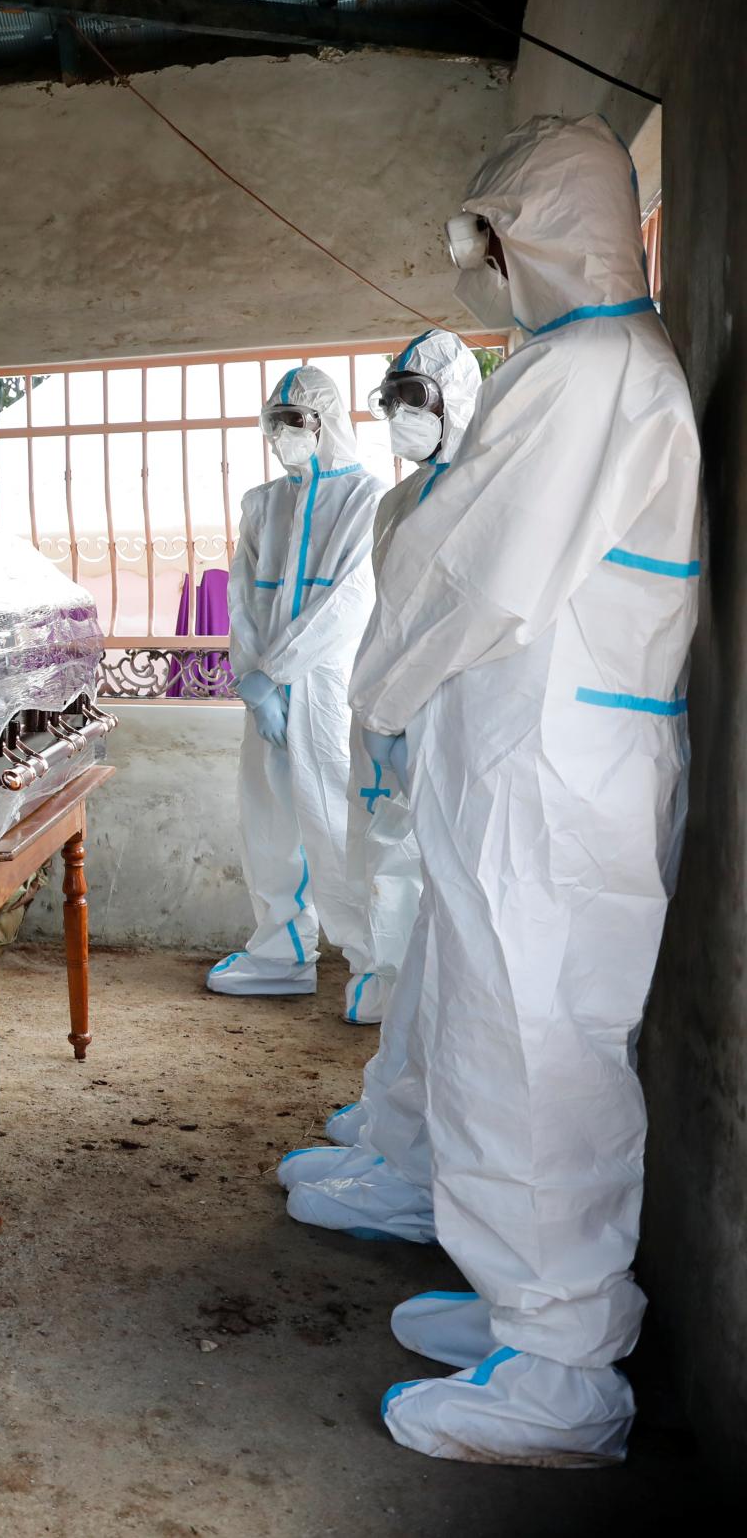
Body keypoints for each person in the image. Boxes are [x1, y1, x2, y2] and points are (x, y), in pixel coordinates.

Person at [351, 114, 700, 1466]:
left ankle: (561, 1375)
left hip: (551, 777)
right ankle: (529, 1305)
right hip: (546, 763)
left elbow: (467, 564)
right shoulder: (592, 362)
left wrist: (377, 690)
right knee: (515, 1039)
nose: (483, 266)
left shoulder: (593, 367)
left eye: (494, 239)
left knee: (537, 1052)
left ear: (543, 232)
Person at [278, 329, 484, 1245]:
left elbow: (465, 624)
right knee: (412, 943)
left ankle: (421, 1162)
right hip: (391, 723)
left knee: (447, 957)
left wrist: (400, 715)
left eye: (419, 397)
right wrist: (380, 718)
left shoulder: (481, 496)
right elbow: (389, 619)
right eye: (392, 396)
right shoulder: (405, 500)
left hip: (456, 737)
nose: (402, 414)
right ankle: (393, 1128)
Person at [206, 364, 385, 1000]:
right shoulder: (265, 503)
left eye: (295, 422)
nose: (282, 436)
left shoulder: (366, 497)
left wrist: (280, 673)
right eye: (274, 424)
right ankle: (281, 952)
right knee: (269, 818)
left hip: (325, 687)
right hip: (266, 693)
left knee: (336, 820)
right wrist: (253, 680)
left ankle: (372, 963)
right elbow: (241, 599)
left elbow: (348, 601)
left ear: (327, 423)